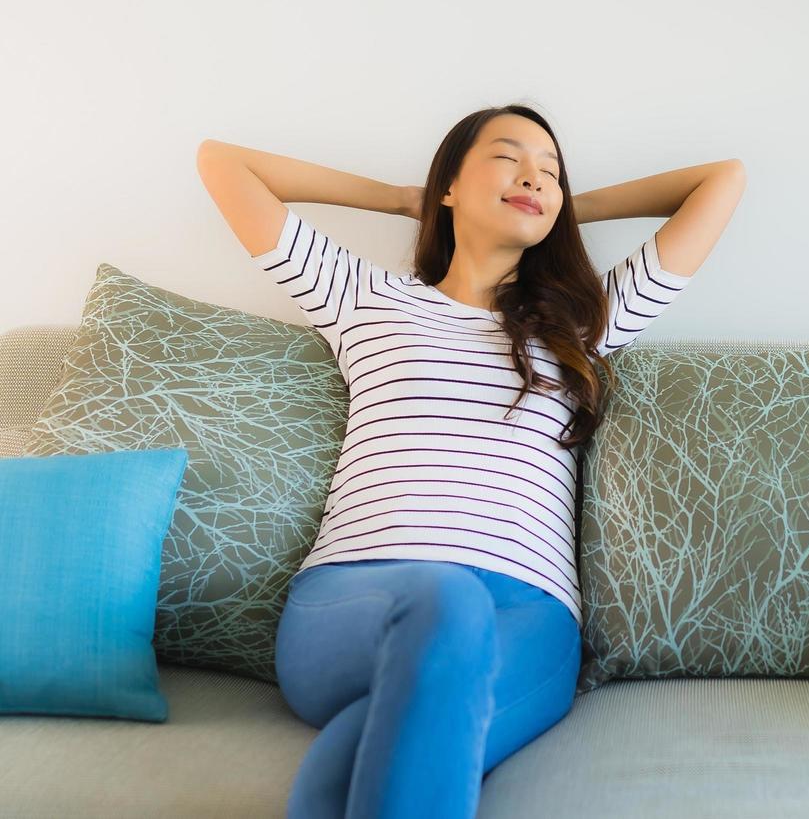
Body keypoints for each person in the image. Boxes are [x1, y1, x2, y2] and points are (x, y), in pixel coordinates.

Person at [196, 105, 745, 818]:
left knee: (375, 739)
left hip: (529, 615)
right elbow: (223, 163)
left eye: (551, 173)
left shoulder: (585, 324)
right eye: (509, 158)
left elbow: (723, 181)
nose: (533, 177)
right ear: (449, 184)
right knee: (445, 601)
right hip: (358, 598)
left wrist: (567, 208)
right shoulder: (365, 298)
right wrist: (402, 198)